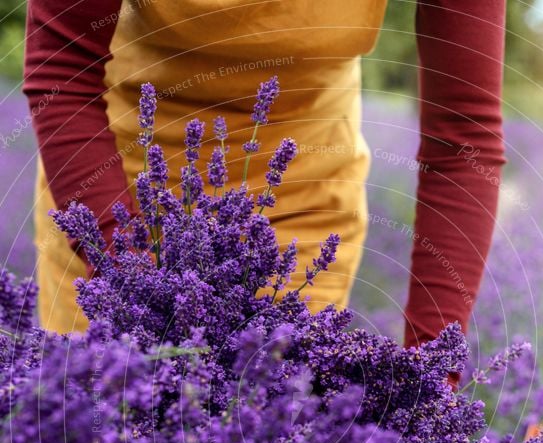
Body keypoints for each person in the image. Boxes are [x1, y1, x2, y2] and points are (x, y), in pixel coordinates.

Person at [24, 0, 506, 347]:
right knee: (106, 437)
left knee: (266, 438)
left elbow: (462, 140)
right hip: (120, 185)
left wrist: (428, 374)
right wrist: (131, 282)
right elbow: (63, 70)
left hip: (301, 201)